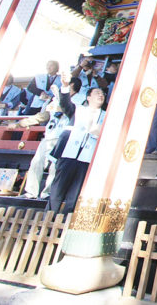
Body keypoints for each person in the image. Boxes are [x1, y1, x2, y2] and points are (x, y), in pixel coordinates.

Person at [48, 73, 106, 215]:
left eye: (102, 94)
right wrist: (66, 86)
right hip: (69, 153)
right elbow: (65, 103)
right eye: (97, 93)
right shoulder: (79, 110)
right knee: (57, 190)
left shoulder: (106, 115)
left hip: (87, 157)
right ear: (88, 97)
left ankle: (66, 224)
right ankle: (48, 221)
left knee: (75, 195)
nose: (101, 95)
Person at [24, 78, 82, 199]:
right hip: (50, 134)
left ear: (71, 86)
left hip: (64, 136)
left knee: (54, 167)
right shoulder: (55, 98)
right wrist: (24, 122)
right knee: (37, 162)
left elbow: (68, 110)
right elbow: (47, 114)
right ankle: (31, 192)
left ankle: (47, 193)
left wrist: (59, 96)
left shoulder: (79, 99)